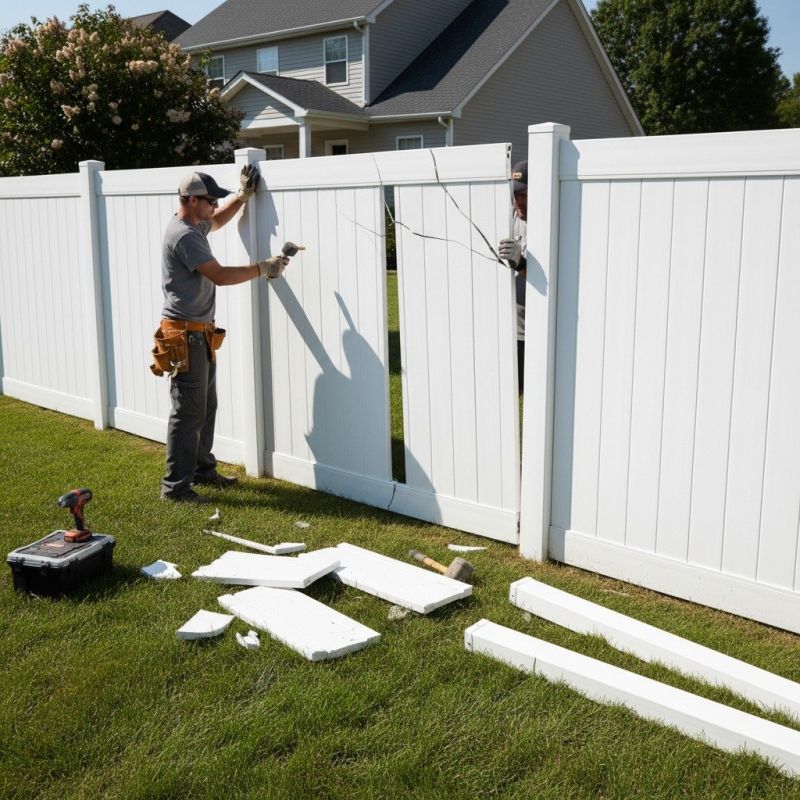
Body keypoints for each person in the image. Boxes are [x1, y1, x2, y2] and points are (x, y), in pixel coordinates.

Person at [154, 165, 289, 503]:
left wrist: (241, 197)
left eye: (215, 201)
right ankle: (175, 488)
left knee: (205, 406)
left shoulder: (194, 225)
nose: (215, 206)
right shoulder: (182, 234)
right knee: (188, 412)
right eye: (210, 201)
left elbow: (218, 220)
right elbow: (220, 276)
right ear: (191, 200)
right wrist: (262, 268)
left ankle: (201, 469)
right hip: (184, 336)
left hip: (199, 334)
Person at [498, 161, 527, 393]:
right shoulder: (509, 218)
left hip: (533, 332)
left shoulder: (551, 222)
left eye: (525, 194)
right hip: (509, 327)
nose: (519, 202)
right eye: (515, 194)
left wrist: (521, 262)